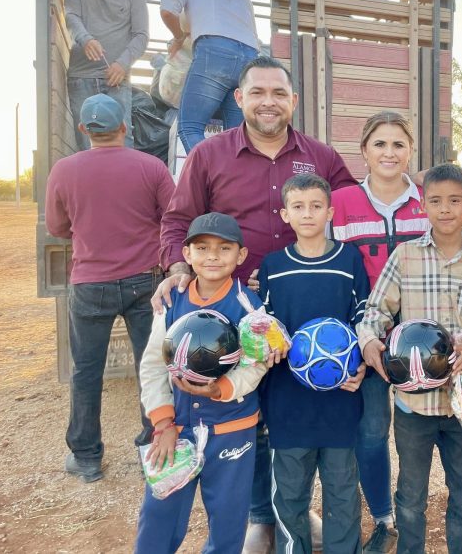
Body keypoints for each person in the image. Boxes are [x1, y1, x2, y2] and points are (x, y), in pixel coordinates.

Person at [154, 55, 357, 552]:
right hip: (233, 306)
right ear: (240, 98)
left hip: (304, 303)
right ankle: (261, 516)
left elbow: (356, 207)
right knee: (245, 406)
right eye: (258, 92)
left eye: (279, 93)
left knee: (293, 401)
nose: (269, 102)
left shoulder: (322, 156)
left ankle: (291, 506)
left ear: (293, 101)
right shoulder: (208, 155)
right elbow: (178, 221)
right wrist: (178, 269)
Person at [358, 163, 462, 554]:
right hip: (414, 405)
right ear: (423, 205)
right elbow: (376, 312)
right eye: (436, 201)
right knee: (410, 494)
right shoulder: (405, 256)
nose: (445, 209)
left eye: (455, 201)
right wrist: (370, 342)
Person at [44, 94, 175, 482]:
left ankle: (86, 457)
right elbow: (172, 218)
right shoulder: (151, 167)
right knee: (150, 366)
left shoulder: (63, 170)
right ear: (125, 127)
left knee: (86, 370)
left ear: (84, 130)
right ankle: (152, 445)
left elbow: (56, 227)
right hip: (144, 282)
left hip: (89, 283)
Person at [135, 212, 272, 553]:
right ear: (187, 254)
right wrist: (163, 422)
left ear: (240, 256)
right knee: (158, 516)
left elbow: (255, 366)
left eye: (224, 248)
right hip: (177, 431)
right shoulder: (171, 301)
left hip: (232, 428)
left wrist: (220, 389)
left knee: (227, 523)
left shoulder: (250, 306)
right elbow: (153, 364)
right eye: (202, 247)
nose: (212, 256)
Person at [257, 174, 370, 553]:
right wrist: (270, 346)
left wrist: (360, 368)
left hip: (340, 399)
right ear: (285, 214)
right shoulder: (273, 266)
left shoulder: (348, 259)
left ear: (330, 212)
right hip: (288, 402)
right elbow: (266, 325)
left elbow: (364, 319)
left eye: (316, 206)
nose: (308, 214)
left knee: (341, 491)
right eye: (299, 207)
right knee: (289, 495)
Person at [330, 111, 426, 552]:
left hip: (423, 343)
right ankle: (384, 520)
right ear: (364, 151)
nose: (390, 152)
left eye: (399, 144)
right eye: (380, 144)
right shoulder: (342, 202)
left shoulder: (430, 201)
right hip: (363, 340)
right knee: (371, 433)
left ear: (411, 151)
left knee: (439, 428)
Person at [160, 0, 261, 152]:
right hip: (250, 59)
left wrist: (178, 38)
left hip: (215, 52)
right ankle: (234, 176)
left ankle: (211, 175)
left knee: (190, 128)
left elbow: (167, 11)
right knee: (237, 136)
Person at [64, 0, 149, 151]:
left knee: (122, 142)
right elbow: (71, 16)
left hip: (117, 80)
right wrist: (85, 39)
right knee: (86, 143)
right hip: (81, 77)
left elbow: (141, 35)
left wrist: (123, 64)